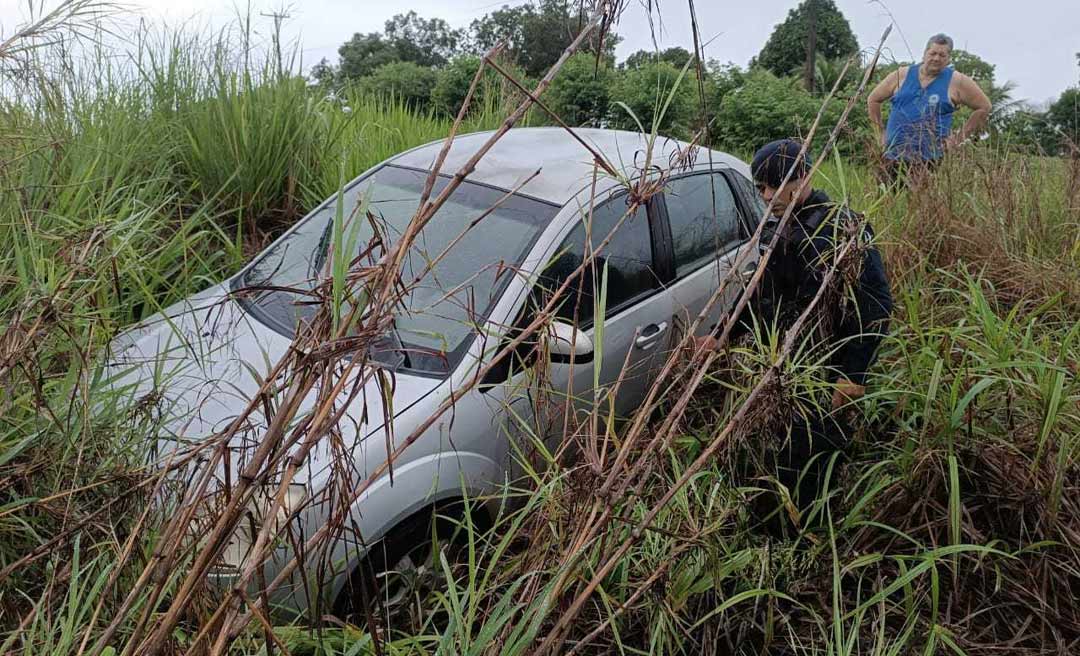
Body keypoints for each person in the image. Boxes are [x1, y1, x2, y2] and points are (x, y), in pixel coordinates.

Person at [696, 139, 893, 521]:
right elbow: (759, 295)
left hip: (824, 368)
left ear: (802, 177)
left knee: (813, 459)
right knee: (778, 449)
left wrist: (852, 376)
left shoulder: (844, 230)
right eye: (761, 188)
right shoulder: (780, 230)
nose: (768, 196)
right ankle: (774, 516)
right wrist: (722, 334)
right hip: (779, 364)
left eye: (776, 186)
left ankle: (811, 532)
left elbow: (875, 307)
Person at [867, 33, 992, 181]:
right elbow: (873, 99)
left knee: (919, 202)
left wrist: (958, 138)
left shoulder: (957, 81)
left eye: (942, 55)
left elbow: (984, 107)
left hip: (929, 159)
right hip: (892, 154)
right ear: (925, 53)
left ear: (948, 59)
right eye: (933, 53)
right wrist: (880, 134)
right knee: (885, 200)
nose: (936, 58)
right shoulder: (902, 74)